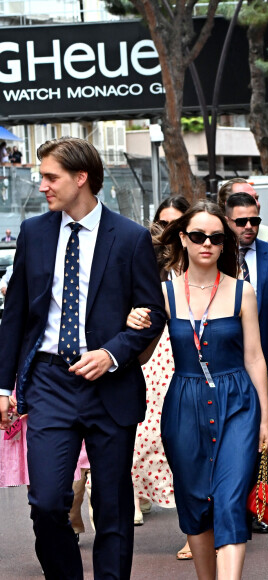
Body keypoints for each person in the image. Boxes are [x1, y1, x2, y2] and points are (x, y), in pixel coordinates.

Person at [0, 137, 166, 580]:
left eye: (50, 177)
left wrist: (111, 354)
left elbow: (153, 316)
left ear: (81, 178)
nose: (42, 187)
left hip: (110, 388)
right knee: (48, 502)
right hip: (49, 384)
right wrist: (3, 386)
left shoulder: (130, 238)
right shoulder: (34, 233)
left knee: (112, 505)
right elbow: (15, 314)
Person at [134, 200, 268, 579]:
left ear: (225, 244)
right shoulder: (165, 293)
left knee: (229, 500)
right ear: (183, 239)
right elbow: (143, 355)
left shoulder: (242, 292)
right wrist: (133, 322)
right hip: (184, 403)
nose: (206, 244)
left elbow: (255, 357)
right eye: (197, 236)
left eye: (215, 237)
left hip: (238, 403)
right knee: (194, 501)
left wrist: (267, 417)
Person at [224, 192, 268, 534]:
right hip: (225, 364)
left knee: (262, 434)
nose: (249, 227)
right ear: (228, 220)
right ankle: (231, 503)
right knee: (231, 434)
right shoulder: (214, 255)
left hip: (266, 364)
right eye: (241, 221)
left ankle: (256, 506)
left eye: (255, 221)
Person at [127, 195, 190, 529]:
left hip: (187, 347)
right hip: (154, 348)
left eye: (176, 223)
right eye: (163, 223)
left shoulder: (200, 253)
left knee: (179, 430)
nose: (168, 230)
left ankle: (186, 509)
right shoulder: (147, 256)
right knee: (145, 428)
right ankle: (134, 490)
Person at [218, 178, 268, 251]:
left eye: (256, 198)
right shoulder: (213, 241)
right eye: (246, 199)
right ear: (228, 204)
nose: (256, 204)